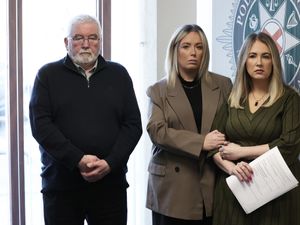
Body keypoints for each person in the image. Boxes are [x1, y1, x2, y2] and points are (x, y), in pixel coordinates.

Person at [29, 14, 142, 225]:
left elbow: (133, 125)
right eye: (78, 38)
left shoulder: (119, 75)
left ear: (100, 41)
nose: (86, 44)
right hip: (61, 187)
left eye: (93, 38)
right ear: (66, 42)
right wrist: (78, 160)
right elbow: (41, 126)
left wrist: (109, 163)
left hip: (110, 186)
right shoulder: (47, 75)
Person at [145, 24, 232, 225]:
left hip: (212, 181)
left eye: (199, 47)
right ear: (175, 50)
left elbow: (231, 125)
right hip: (173, 189)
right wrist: (202, 142)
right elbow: (157, 131)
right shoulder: (159, 90)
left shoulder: (224, 85)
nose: (193, 52)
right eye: (186, 46)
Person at [210, 32, 300, 225]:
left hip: (276, 197)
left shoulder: (289, 99)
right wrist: (232, 168)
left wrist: (241, 152)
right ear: (244, 61)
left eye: (265, 56)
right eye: (252, 56)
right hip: (233, 194)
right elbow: (212, 146)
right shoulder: (232, 99)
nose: (259, 62)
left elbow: (290, 146)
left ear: (273, 61)